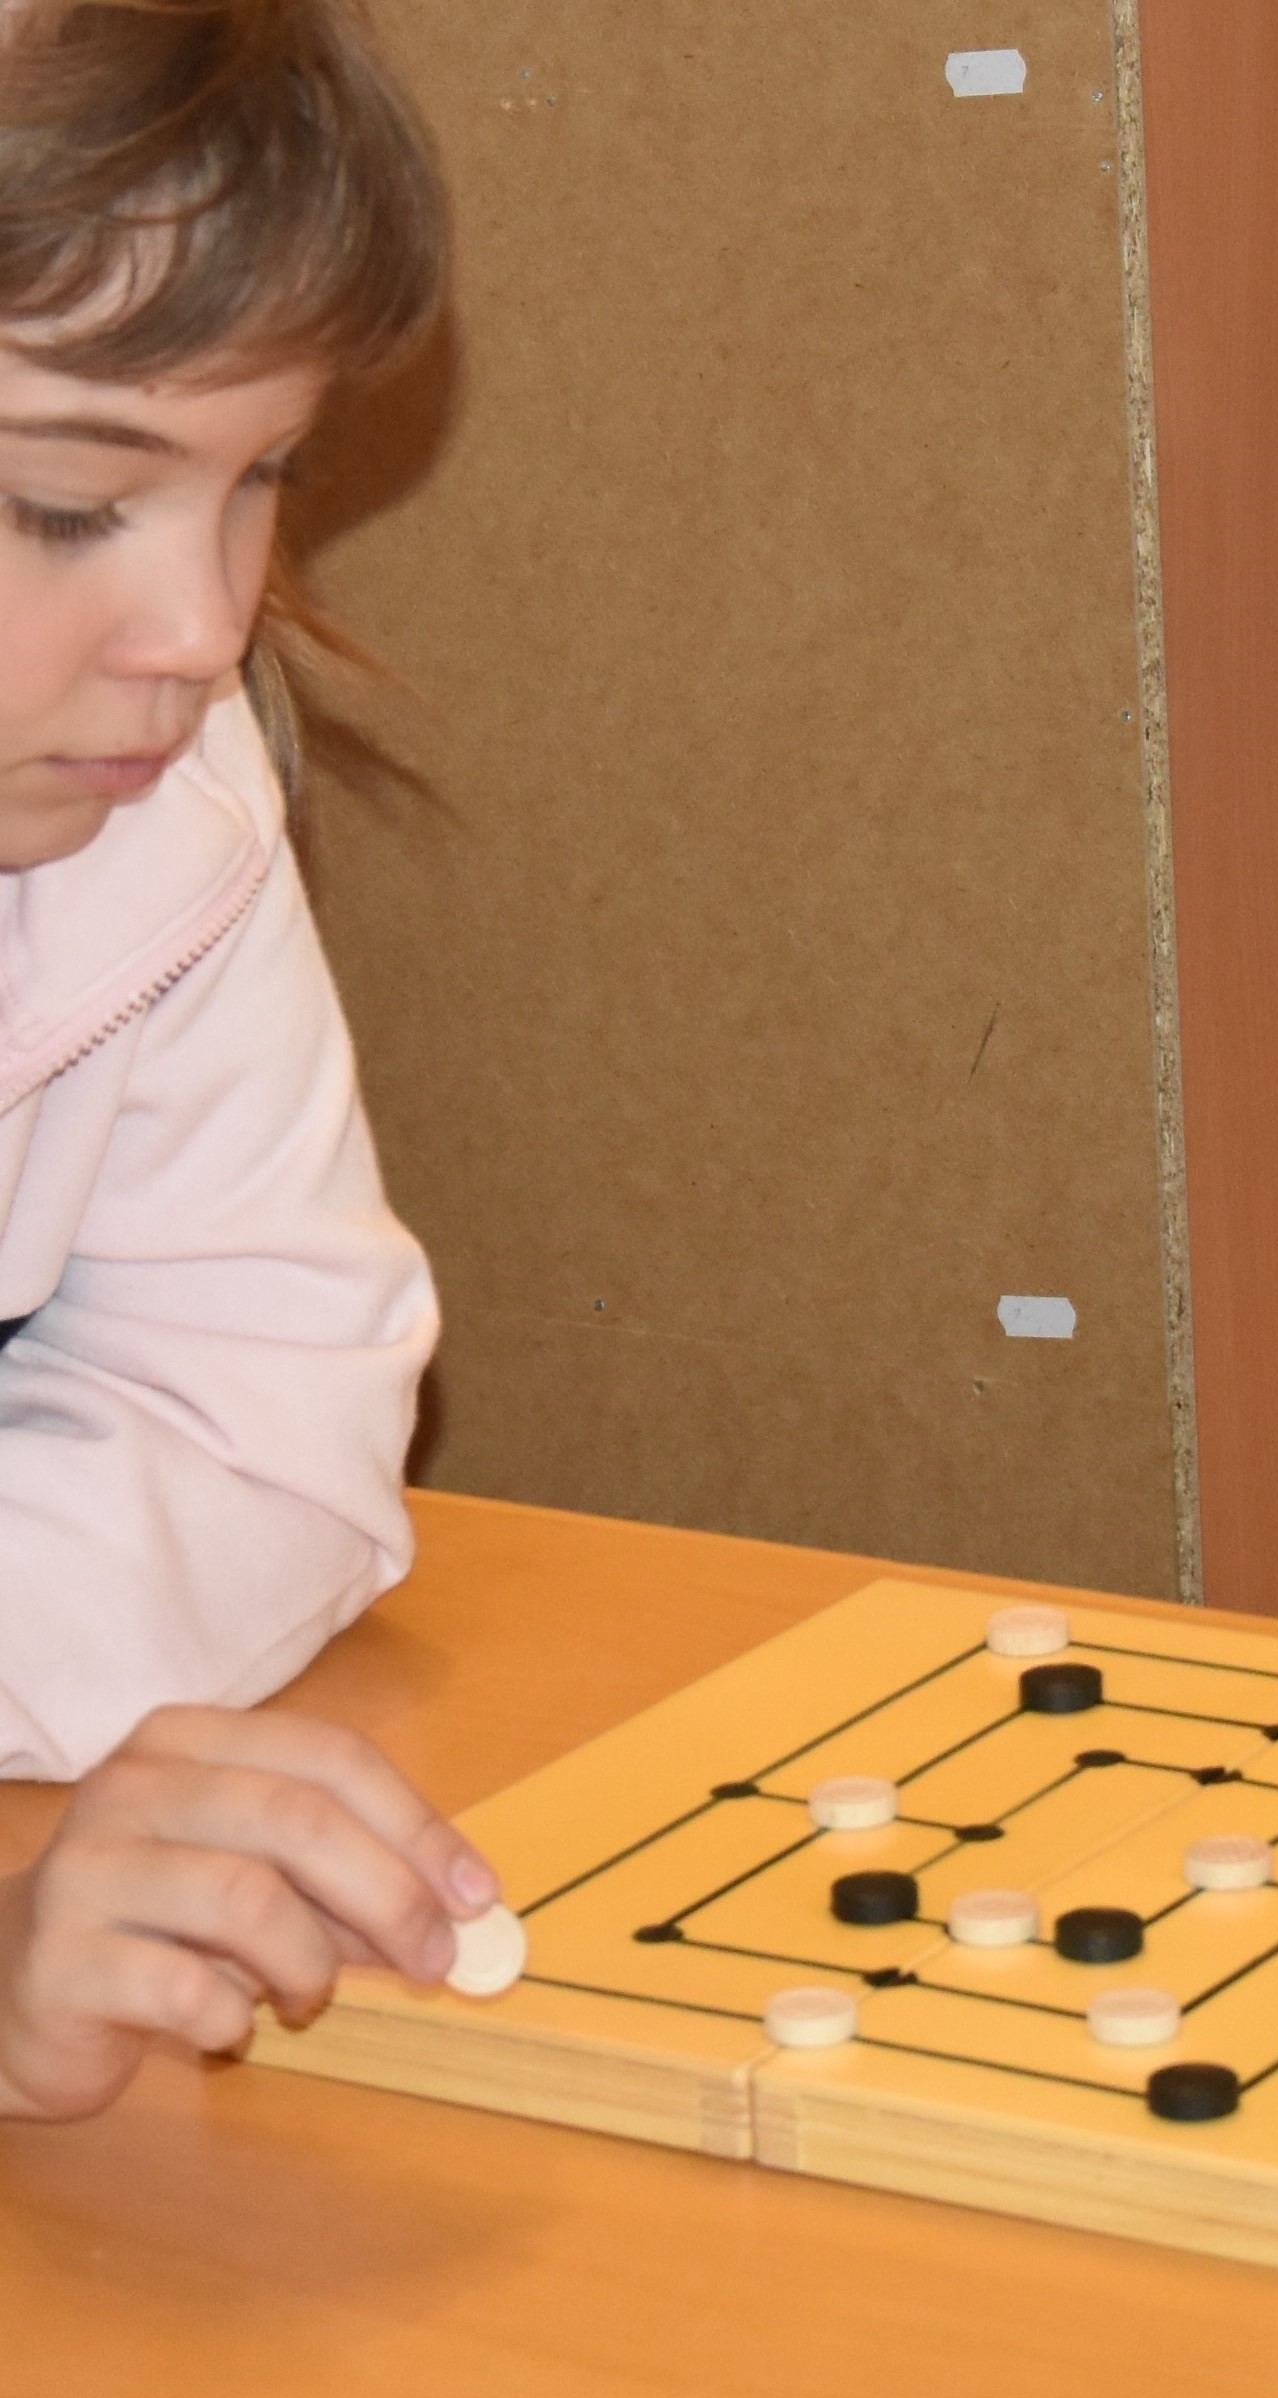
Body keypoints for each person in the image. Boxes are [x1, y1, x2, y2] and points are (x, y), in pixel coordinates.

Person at [0, 0, 492, 2120]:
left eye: (261, 475)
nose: (203, 632)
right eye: (60, 505)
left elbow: (266, 1427)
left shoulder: (145, 814)